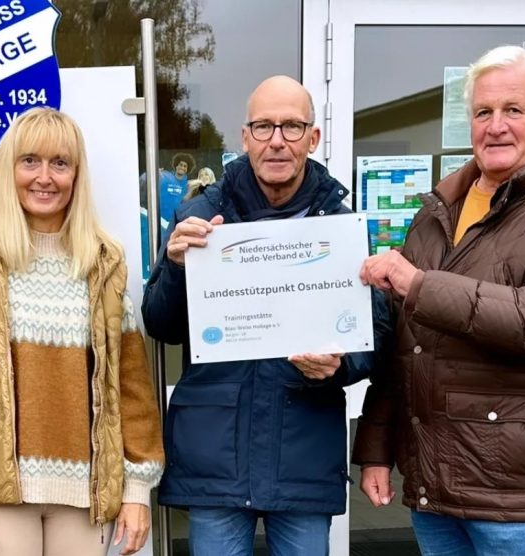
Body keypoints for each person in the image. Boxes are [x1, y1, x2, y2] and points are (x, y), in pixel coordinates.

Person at [354, 45, 525, 556]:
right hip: (434, 488)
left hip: (518, 497)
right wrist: (375, 449)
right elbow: (407, 345)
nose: (496, 125)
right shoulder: (440, 209)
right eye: (483, 112)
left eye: (513, 110)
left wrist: (417, 284)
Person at [142, 75, 390, 555]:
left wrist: (341, 365)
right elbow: (161, 325)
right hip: (217, 457)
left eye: (292, 127)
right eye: (263, 127)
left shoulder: (340, 226)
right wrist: (175, 269)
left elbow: (374, 333)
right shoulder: (199, 216)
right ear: (244, 137)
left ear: (313, 138)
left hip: (302, 452)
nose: (277, 141)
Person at [0, 107, 164, 556]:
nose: (45, 177)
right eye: (29, 161)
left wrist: (137, 490)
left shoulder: (101, 267)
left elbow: (132, 388)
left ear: (76, 175)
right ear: (9, 170)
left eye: (60, 163)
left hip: (86, 497)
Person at [158, 152, 195, 228]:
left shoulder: (188, 185)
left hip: (177, 222)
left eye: (185, 166)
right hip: (161, 220)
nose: (182, 167)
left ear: (187, 169)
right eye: (180, 165)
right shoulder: (164, 178)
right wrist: (157, 174)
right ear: (176, 165)